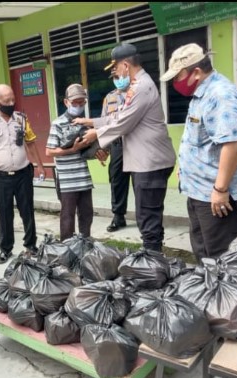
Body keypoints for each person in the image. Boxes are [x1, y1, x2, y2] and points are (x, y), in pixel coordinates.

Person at [73, 43, 176, 252]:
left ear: (126, 65)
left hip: (150, 163)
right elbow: (118, 116)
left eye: (117, 68)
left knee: (148, 217)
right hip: (144, 162)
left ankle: (153, 262)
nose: (116, 72)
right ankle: (152, 258)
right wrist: (92, 122)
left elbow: (123, 123)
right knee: (146, 216)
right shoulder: (136, 86)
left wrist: (95, 134)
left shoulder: (141, 87)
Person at [160, 43, 237, 262]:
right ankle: (209, 289)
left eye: (178, 77)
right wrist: (186, 169)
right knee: (203, 249)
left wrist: (220, 189)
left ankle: (227, 295)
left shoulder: (221, 95)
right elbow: (202, 141)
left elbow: (232, 144)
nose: (176, 83)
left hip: (216, 193)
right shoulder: (202, 94)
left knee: (223, 257)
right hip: (199, 189)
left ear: (196, 72)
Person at [0, 84, 45, 264]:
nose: (11, 103)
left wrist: (39, 166)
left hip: (23, 173)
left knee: (27, 211)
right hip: (1, 177)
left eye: (13, 99)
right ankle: (5, 249)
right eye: (6, 101)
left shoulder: (22, 119)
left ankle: (31, 245)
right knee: (4, 214)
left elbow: (30, 143)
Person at [45, 83, 105, 241]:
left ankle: (84, 244)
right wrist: (72, 149)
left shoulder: (86, 123)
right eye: (75, 103)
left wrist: (99, 153)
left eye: (81, 103)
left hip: (83, 178)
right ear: (66, 102)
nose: (78, 106)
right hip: (66, 181)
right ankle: (67, 249)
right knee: (67, 217)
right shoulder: (57, 123)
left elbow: (89, 150)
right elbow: (49, 151)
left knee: (87, 214)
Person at [101, 72, 131, 233]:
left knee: (140, 180)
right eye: (115, 78)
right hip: (117, 144)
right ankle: (118, 216)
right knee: (117, 180)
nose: (119, 81)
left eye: (121, 77)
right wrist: (104, 149)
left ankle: (144, 217)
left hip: (135, 142)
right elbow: (103, 124)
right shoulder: (109, 98)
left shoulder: (137, 93)